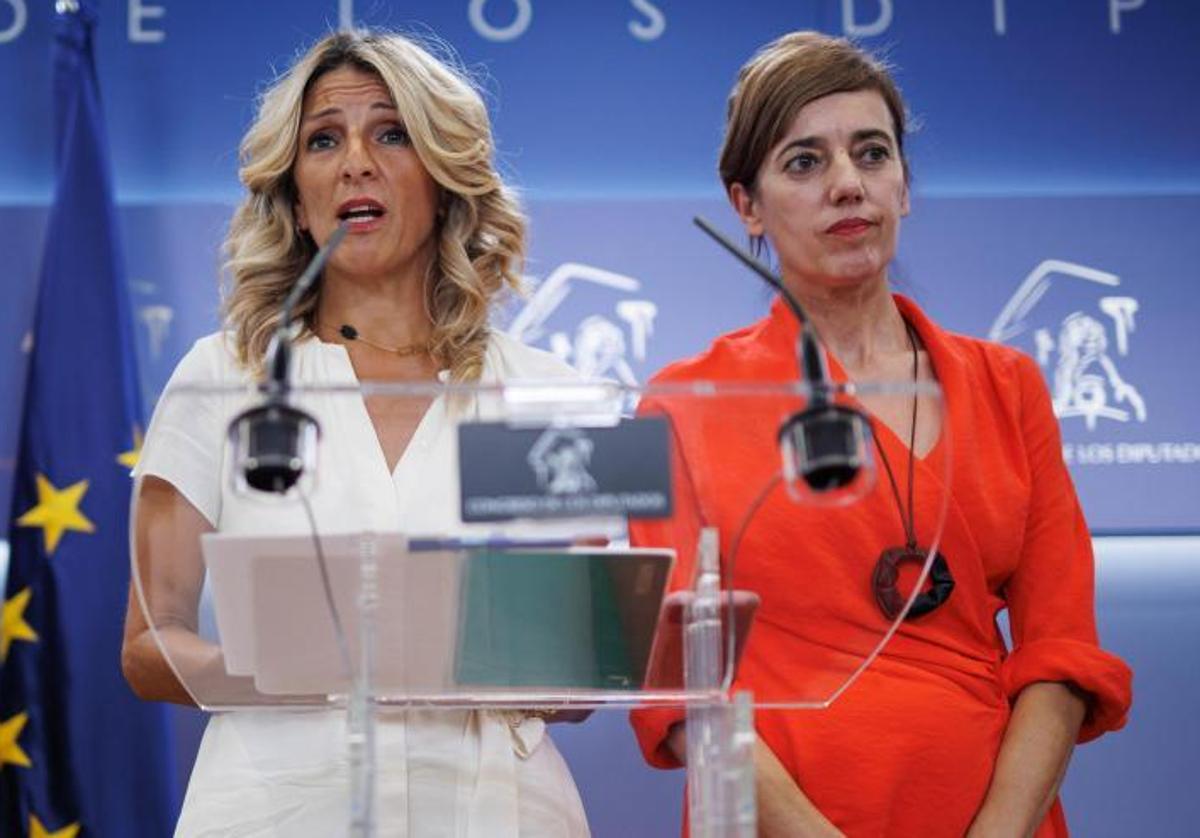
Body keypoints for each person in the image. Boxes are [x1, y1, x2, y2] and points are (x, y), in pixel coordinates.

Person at [629, 31, 1132, 837]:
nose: (847, 185)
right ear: (745, 205)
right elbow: (686, 692)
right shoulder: (683, 404)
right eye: (804, 162)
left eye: (872, 154)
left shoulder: (1010, 388)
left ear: (904, 185)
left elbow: (1060, 653)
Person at [121, 30, 590, 837]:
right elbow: (148, 645)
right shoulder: (225, 377)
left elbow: (580, 678)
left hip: (498, 812)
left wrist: (502, 665)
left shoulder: (548, 391)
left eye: (392, 133)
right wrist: (313, 670)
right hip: (278, 811)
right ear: (296, 197)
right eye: (324, 140)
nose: (356, 163)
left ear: (443, 179)